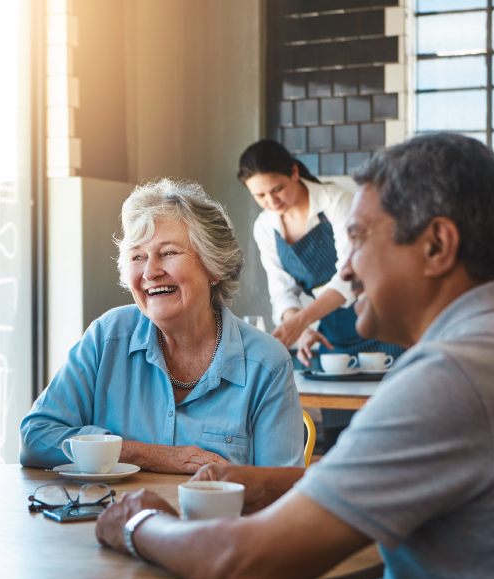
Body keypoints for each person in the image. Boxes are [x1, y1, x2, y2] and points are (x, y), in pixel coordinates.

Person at [95, 133, 494, 579]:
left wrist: (136, 523)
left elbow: (245, 562)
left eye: (359, 239)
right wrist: (270, 482)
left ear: (437, 245)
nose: (345, 269)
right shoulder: (484, 350)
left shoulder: (448, 379)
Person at [20, 179, 303, 473]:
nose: (150, 272)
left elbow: (284, 490)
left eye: (168, 253)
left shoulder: (266, 364)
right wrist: (150, 455)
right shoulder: (107, 337)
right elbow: (36, 438)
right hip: (113, 517)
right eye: (137, 257)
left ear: (213, 267)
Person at [238, 139, 403, 447]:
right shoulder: (265, 227)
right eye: (260, 195)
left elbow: (348, 279)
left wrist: (300, 322)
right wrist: (301, 331)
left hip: (376, 322)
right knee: (342, 440)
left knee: (389, 429)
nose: (271, 201)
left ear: (294, 173)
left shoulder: (338, 202)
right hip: (332, 335)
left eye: (277, 189)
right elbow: (282, 291)